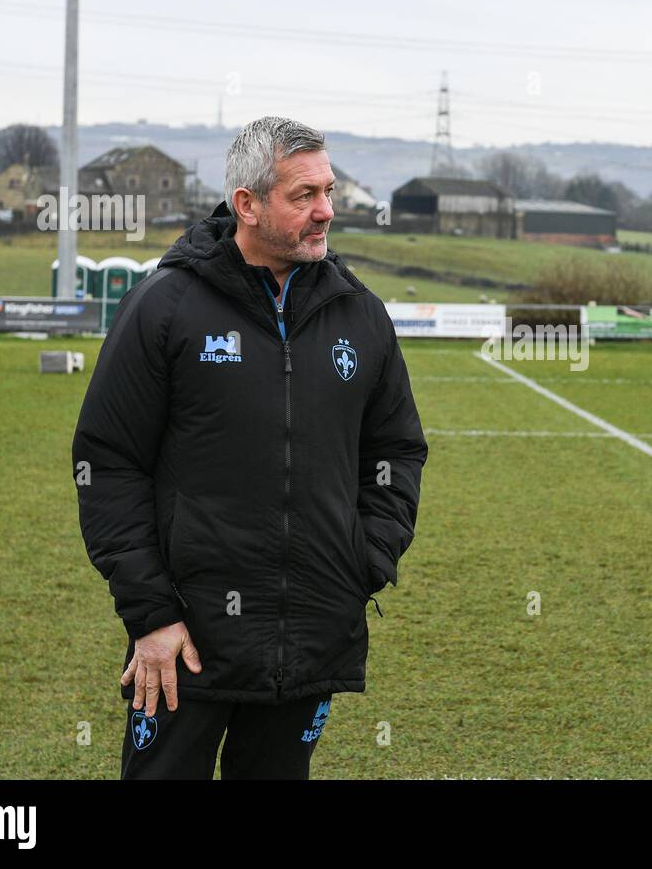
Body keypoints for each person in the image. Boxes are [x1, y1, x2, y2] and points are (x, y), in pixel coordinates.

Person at [72, 116, 428, 779]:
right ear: (247, 205)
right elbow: (108, 463)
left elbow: (397, 449)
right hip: (186, 643)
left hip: (314, 633)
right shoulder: (165, 306)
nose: (326, 211)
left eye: (327, 192)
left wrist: (364, 562)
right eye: (303, 196)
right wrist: (151, 615)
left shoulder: (361, 314)